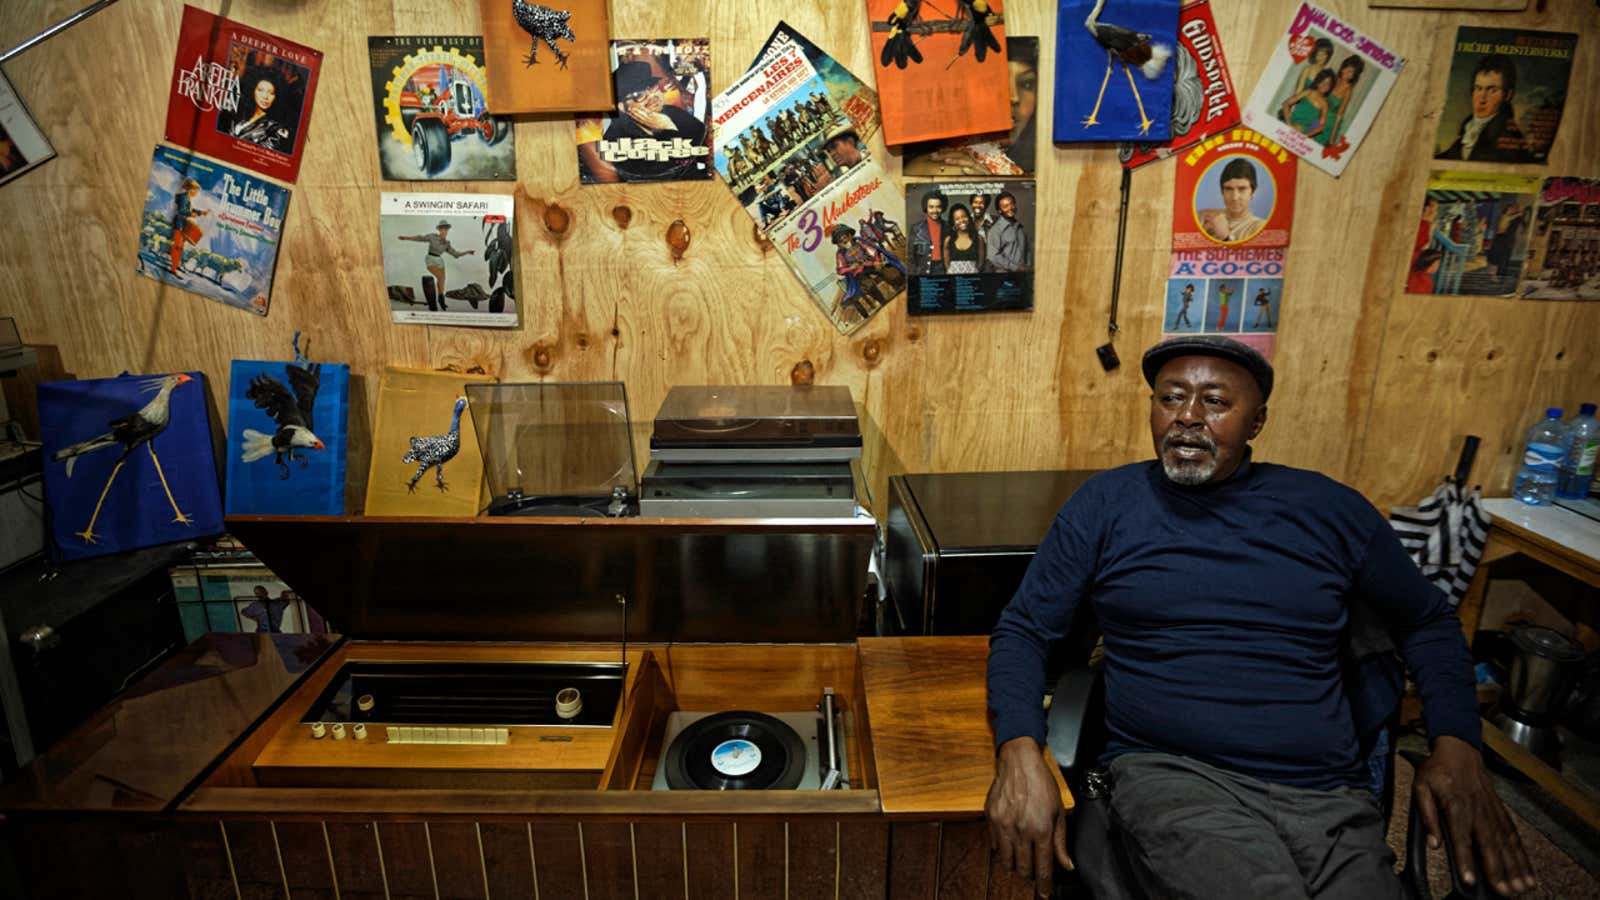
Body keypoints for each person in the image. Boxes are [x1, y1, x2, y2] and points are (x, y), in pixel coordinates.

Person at [984, 336, 1536, 899]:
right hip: (1176, 780)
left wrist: (1456, 743)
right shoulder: (1106, 504)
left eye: (1216, 402)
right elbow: (1024, 630)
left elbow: (1429, 621)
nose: (1188, 418)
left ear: (1257, 421)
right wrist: (1020, 747)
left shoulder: (1328, 509)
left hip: (1327, 794)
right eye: (1170, 398)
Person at [600, 59, 707, 181]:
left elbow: (701, 137)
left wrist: (669, 125)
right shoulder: (616, 143)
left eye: (652, 87)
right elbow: (668, 174)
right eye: (640, 95)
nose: (653, 96)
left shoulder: (671, 111)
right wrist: (669, 128)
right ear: (622, 107)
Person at [1438, 55, 1530, 162]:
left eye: (1492, 90)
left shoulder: (1511, 139)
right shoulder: (1468, 130)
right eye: (1478, 88)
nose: (1482, 99)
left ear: (1508, 95)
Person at [833, 224, 905, 321]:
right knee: (869, 285)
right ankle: (884, 303)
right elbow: (840, 270)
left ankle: (902, 293)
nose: (844, 240)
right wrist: (850, 268)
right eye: (840, 240)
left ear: (849, 235)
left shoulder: (858, 241)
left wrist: (876, 261)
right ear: (838, 243)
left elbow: (873, 250)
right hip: (858, 272)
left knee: (890, 273)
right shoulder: (840, 254)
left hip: (870, 264)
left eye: (844, 237)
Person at [398, 220, 474, 305]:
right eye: (442, 229)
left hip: (440, 261)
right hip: (430, 258)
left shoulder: (447, 243)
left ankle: (441, 299)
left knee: (442, 279)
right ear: (439, 230)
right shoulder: (432, 237)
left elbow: (456, 254)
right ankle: (440, 299)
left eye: (446, 230)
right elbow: (420, 238)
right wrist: (406, 238)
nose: (444, 231)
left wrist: (467, 252)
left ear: (447, 231)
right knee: (440, 278)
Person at [1200, 158, 1266, 244]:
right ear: (1222, 191)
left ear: (1253, 192)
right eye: (1228, 189)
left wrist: (1226, 238)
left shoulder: (1260, 227)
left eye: (1242, 189)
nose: (1234, 197)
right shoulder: (1203, 217)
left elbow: (1254, 256)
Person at [227, 73, 292, 152]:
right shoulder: (240, 113)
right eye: (260, 90)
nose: (265, 97)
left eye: (271, 93)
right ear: (252, 90)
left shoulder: (275, 129)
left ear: (276, 96)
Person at [1279, 68, 1336, 141]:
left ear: (1330, 88)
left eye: (1328, 84)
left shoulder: (1324, 104)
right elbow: (1286, 103)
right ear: (1318, 82)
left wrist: (1305, 136)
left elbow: (1321, 126)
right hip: (1287, 127)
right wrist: (1289, 124)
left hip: (1302, 133)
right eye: (1323, 81)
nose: (1324, 85)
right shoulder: (1308, 92)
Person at [1323, 55, 1364, 147]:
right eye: (1348, 69)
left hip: (1330, 123)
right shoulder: (1332, 79)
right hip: (1317, 114)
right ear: (1342, 68)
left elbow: (1339, 115)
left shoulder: (1348, 91)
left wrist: (1332, 138)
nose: (1348, 74)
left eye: (1352, 72)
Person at [170, 177, 207, 277]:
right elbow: (182, 210)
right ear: (191, 189)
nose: (196, 193)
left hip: (183, 224)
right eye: (196, 190)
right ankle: (173, 269)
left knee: (180, 247)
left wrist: (200, 213)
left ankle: (176, 265)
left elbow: (190, 209)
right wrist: (191, 214)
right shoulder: (183, 197)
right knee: (177, 246)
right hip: (179, 223)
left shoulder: (187, 197)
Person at [986, 191, 1031, 273]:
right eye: (1005, 206)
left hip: (1023, 276)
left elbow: (1027, 250)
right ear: (999, 211)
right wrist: (1016, 268)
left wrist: (1028, 266)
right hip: (1004, 277)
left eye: (1012, 204)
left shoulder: (1021, 228)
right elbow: (993, 256)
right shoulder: (995, 230)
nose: (1010, 208)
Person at [910, 191, 947, 275]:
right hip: (923, 270)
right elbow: (911, 257)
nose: (935, 210)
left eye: (938, 207)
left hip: (943, 270)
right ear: (926, 208)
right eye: (931, 207)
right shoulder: (916, 228)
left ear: (943, 207)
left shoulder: (949, 227)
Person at [942, 204, 984, 275]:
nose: (961, 220)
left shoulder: (978, 238)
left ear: (968, 218)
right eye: (957, 219)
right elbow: (947, 265)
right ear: (953, 222)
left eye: (964, 216)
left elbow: (980, 263)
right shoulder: (948, 240)